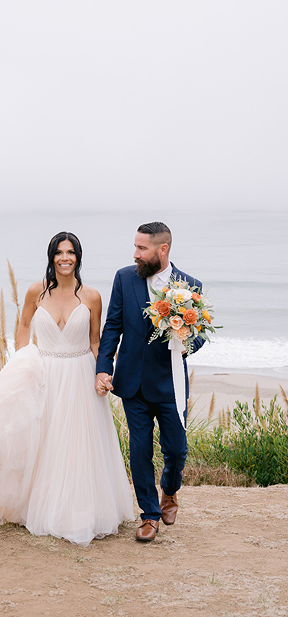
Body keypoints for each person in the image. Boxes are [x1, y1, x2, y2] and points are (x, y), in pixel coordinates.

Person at [0, 232, 134, 547]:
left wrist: (102, 373)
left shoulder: (91, 296)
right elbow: (23, 326)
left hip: (79, 375)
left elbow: (95, 340)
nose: (65, 258)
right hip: (44, 373)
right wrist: (24, 362)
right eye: (59, 253)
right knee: (44, 442)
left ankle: (76, 510)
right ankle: (37, 506)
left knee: (77, 445)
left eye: (71, 252)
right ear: (52, 257)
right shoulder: (36, 291)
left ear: (78, 256)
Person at [96, 222, 204, 542]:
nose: (135, 254)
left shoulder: (190, 285)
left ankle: (169, 492)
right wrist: (104, 368)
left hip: (170, 384)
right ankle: (149, 514)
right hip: (131, 383)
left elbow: (198, 339)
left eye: (142, 248)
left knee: (176, 449)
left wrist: (183, 336)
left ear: (162, 249)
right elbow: (112, 326)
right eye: (135, 247)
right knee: (139, 449)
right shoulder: (124, 278)